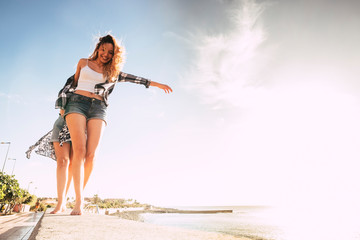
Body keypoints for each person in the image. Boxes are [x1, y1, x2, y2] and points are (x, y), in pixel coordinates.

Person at [58, 34, 172, 215]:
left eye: (110, 52)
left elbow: (135, 79)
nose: (105, 54)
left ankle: (78, 195)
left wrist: (157, 84)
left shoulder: (113, 72)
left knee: (91, 155)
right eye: (103, 49)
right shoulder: (83, 62)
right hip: (77, 103)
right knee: (78, 150)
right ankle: (78, 202)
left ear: (113, 55)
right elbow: (71, 84)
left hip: (98, 108)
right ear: (98, 48)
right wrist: (62, 106)